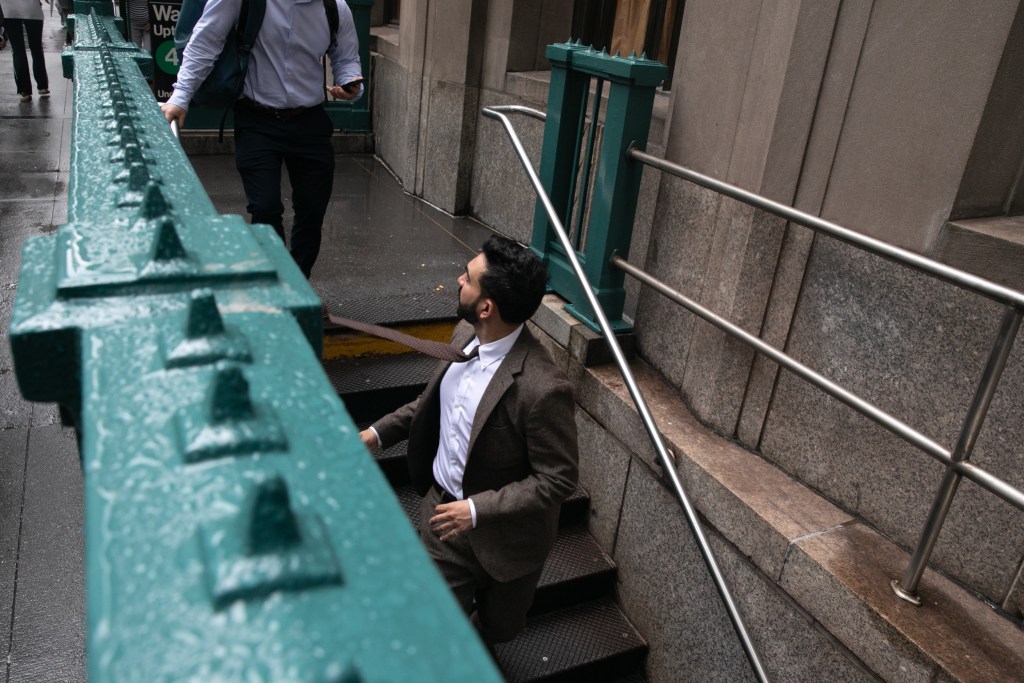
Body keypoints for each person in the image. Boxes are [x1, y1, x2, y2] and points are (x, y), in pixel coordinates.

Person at [360, 236, 580, 646]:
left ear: (487, 306)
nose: (459, 279)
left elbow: (559, 479)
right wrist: (375, 435)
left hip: (510, 542)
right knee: (433, 630)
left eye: (469, 277)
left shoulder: (544, 389)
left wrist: (477, 510)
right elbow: (432, 403)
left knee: (501, 629)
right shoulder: (467, 332)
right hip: (442, 518)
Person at [161, 0, 363, 279]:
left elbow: (347, 57)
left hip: (310, 121)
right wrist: (181, 96)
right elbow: (206, 40)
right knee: (265, 208)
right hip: (257, 119)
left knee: (312, 211)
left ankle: (297, 284)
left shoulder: (335, 7)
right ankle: (277, 283)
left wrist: (350, 82)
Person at [0, 0, 49, 102]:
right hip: (32, 7)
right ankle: (42, 85)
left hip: (8, 9)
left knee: (17, 50)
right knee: (36, 47)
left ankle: (24, 91)